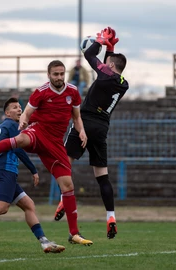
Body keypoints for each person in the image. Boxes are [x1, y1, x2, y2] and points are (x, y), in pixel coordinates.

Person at [0, 60, 93, 246]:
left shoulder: (72, 91)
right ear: (48, 75)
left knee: (67, 185)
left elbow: (77, 117)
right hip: (39, 131)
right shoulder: (40, 92)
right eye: (55, 74)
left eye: (61, 74)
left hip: (55, 144)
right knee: (20, 140)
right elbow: (26, 113)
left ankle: (74, 233)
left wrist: (81, 130)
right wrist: (23, 122)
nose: (59, 77)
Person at [0, 97, 65, 253]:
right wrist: (33, 169)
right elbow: (18, 148)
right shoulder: (13, 125)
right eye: (15, 107)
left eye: (20, 107)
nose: (20, 109)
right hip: (6, 169)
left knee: (28, 205)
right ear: (7, 113)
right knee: (2, 207)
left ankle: (44, 242)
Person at [54, 27, 129, 240]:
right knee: (102, 177)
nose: (105, 65)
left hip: (84, 122)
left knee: (64, 163)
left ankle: (63, 199)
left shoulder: (106, 74)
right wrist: (111, 48)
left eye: (108, 63)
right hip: (102, 127)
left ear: (111, 66)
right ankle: (111, 217)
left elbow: (88, 54)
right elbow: (104, 71)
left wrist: (99, 40)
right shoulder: (123, 83)